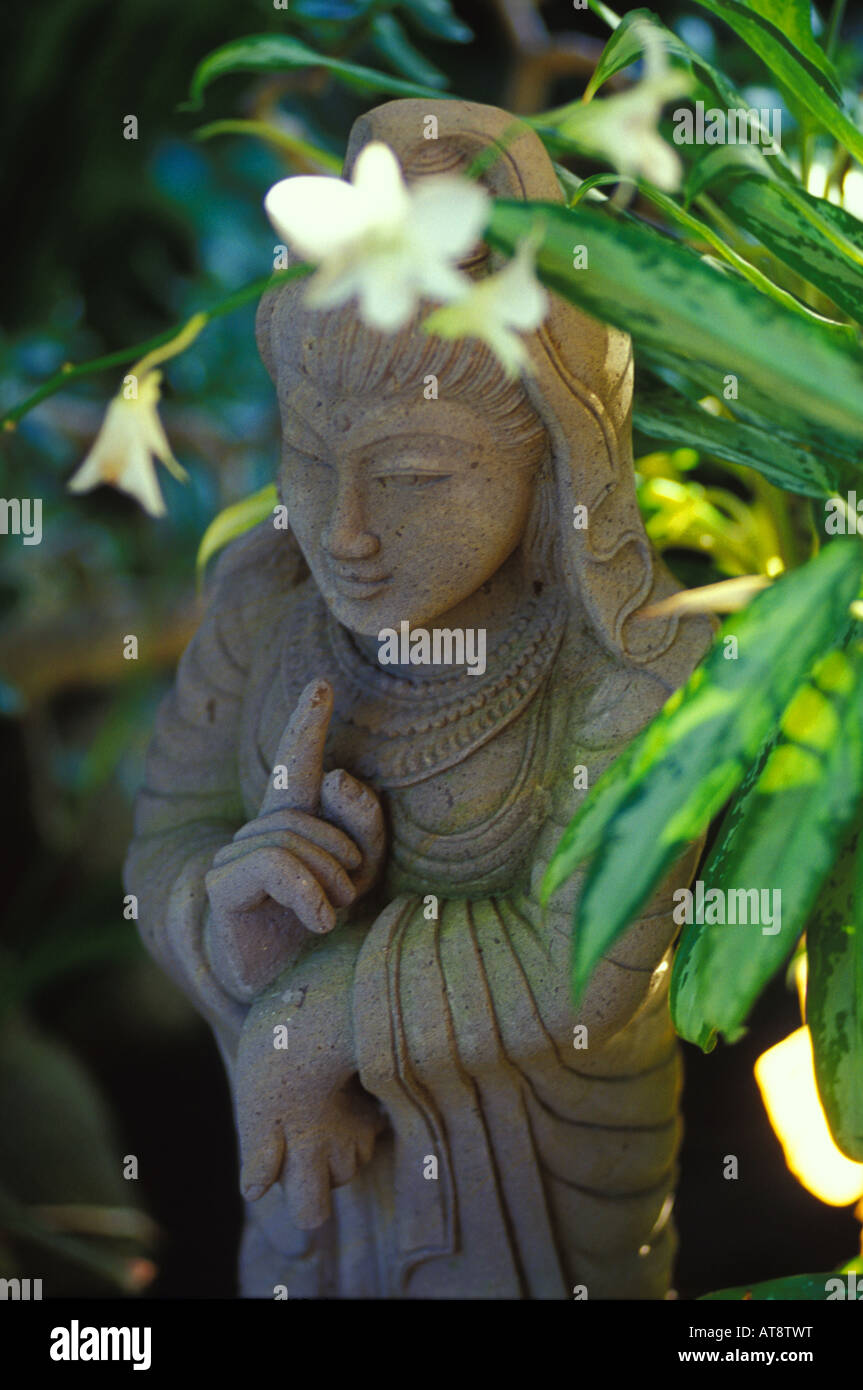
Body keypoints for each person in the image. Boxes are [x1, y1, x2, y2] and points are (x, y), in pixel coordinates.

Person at [124, 99, 712, 1298]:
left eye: (411, 475)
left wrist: (326, 1017)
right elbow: (162, 841)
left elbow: (589, 968)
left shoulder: (631, 670)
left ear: (551, 450)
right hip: (320, 1213)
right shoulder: (259, 624)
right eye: (310, 459)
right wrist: (232, 921)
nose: (344, 531)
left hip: (547, 1215)